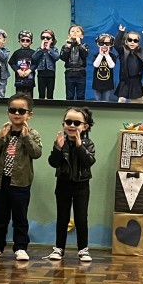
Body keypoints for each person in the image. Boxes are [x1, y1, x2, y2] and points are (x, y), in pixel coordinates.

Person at [0, 93, 43, 261]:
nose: (17, 113)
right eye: (13, 110)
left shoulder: (32, 133)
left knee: (20, 217)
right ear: (8, 112)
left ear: (29, 114)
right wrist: (0, 138)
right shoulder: (3, 131)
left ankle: (21, 247)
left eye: (21, 111)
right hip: (1, 181)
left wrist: (26, 137)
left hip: (21, 183)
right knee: (0, 216)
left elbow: (36, 153)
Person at [46, 107, 96, 262]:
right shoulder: (60, 142)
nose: (72, 125)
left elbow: (88, 162)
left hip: (82, 185)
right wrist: (58, 148)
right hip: (63, 184)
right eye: (68, 122)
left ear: (85, 126)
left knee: (81, 218)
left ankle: (83, 249)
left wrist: (80, 146)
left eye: (77, 123)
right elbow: (53, 163)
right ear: (63, 124)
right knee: (62, 217)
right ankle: (59, 248)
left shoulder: (88, 144)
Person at [114, 26, 143, 103]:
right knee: (121, 99)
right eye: (130, 40)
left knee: (135, 101)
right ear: (126, 41)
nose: (132, 42)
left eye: (135, 41)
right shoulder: (122, 50)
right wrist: (121, 32)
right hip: (124, 80)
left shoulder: (141, 51)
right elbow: (116, 44)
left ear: (138, 43)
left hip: (136, 80)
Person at [60, 24, 88, 101]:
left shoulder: (84, 46)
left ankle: (81, 109)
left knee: (80, 96)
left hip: (81, 73)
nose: (75, 32)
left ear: (82, 36)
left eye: (77, 31)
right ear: (69, 35)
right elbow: (63, 58)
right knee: (70, 96)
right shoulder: (65, 47)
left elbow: (85, 54)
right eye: (72, 31)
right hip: (69, 73)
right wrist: (68, 47)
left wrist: (79, 44)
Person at [32, 29, 60, 100]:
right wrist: (41, 49)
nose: (45, 39)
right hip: (41, 74)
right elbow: (34, 58)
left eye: (48, 38)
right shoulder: (39, 49)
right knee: (41, 94)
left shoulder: (54, 49)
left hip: (51, 74)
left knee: (50, 94)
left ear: (52, 40)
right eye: (43, 38)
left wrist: (48, 49)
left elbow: (56, 57)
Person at [9, 30, 36, 97]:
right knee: (19, 98)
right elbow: (11, 62)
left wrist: (29, 70)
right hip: (19, 81)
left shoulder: (34, 53)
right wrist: (18, 70)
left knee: (29, 99)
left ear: (31, 42)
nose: (25, 42)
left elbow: (36, 63)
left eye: (27, 40)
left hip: (30, 81)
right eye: (23, 40)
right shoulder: (16, 53)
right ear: (19, 41)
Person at [92, 33, 117, 102]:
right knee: (97, 100)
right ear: (98, 44)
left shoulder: (112, 56)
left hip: (108, 84)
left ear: (111, 44)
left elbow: (111, 66)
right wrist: (101, 54)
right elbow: (96, 65)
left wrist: (106, 55)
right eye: (102, 43)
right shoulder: (96, 55)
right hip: (97, 83)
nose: (104, 46)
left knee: (106, 101)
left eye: (107, 44)